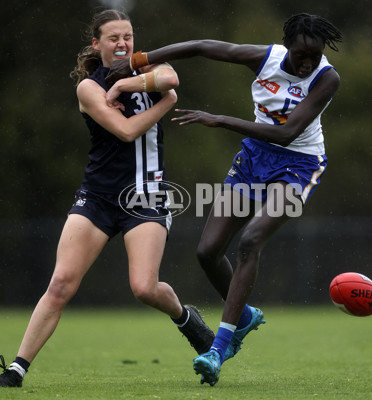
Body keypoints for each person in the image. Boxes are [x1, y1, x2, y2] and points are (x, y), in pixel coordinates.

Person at [0, 9, 214, 389]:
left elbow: (171, 76)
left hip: (147, 196)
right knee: (61, 284)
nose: (122, 43)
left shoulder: (145, 68)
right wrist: (164, 103)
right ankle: (16, 371)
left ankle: (187, 319)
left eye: (128, 36)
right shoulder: (89, 88)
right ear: (96, 43)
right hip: (98, 197)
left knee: (143, 287)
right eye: (113, 38)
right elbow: (125, 131)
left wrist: (125, 86)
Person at [106, 13, 342, 386]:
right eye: (301, 55)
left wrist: (220, 120)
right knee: (207, 252)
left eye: (314, 54)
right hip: (253, 161)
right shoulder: (262, 58)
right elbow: (200, 46)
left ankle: (219, 347)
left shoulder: (326, 78)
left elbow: (287, 133)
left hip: (298, 166)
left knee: (250, 241)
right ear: (287, 46)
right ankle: (245, 316)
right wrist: (136, 62)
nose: (307, 62)